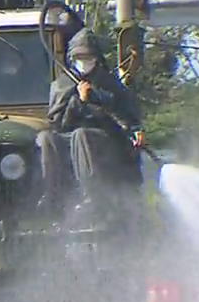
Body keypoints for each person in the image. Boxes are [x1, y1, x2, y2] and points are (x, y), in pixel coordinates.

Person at [36, 27, 146, 216]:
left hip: (105, 141)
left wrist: (93, 98)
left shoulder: (110, 84)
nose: (84, 63)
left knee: (82, 135)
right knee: (46, 138)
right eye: (79, 58)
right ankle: (52, 195)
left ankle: (92, 196)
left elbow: (125, 116)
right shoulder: (61, 85)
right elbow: (58, 122)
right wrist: (76, 102)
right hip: (68, 137)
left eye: (88, 57)